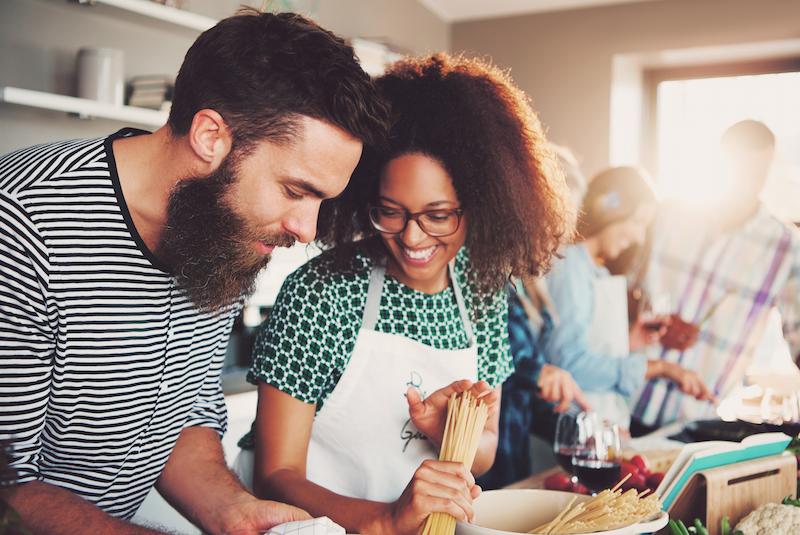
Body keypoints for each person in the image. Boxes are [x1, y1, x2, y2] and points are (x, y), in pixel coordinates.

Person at [0, 9, 387, 535]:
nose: (305, 229)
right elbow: (7, 490)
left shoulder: (218, 229)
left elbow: (182, 418)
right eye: (297, 191)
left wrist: (233, 511)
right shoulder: (24, 223)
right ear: (210, 135)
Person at [234, 53, 572, 534]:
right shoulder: (322, 295)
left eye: (438, 215)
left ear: (481, 205)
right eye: (391, 211)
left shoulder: (481, 293)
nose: (412, 238)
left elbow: (486, 450)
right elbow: (274, 476)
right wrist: (386, 521)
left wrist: (444, 432)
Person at [631, 120, 800, 431]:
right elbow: (616, 289)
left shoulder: (786, 248)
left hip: (695, 423)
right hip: (619, 400)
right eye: (738, 172)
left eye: (757, 174)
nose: (747, 185)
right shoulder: (666, 214)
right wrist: (647, 325)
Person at [544, 166, 714, 429]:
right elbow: (571, 364)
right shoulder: (569, 267)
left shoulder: (595, 271)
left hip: (598, 427)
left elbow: (591, 347)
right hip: (568, 429)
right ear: (608, 207)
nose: (639, 236)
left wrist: (631, 342)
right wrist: (661, 368)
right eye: (637, 222)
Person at [476, 277, 590, 490]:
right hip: (485, 459)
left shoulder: (530, 287)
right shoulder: (488, 280)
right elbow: (496, 361)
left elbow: (531, 397)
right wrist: (537, 373)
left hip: (514, 455)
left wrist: (581, 433)